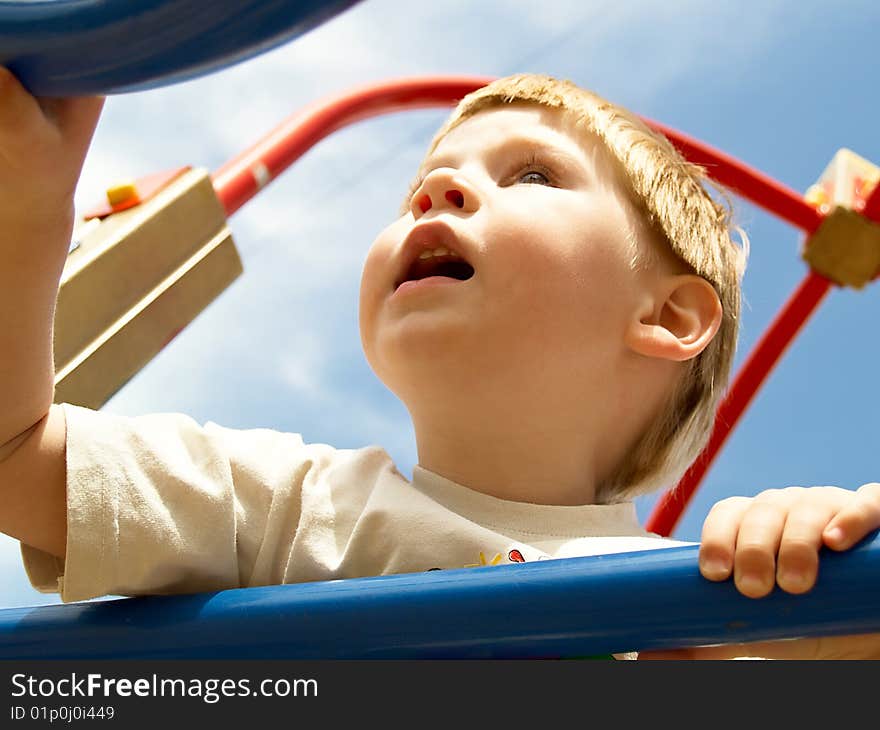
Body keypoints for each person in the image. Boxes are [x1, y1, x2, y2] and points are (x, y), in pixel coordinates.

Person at [0, 67, 878, 659]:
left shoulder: (708, 607)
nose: (436, 189)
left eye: (531, 175)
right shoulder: (289, 509)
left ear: (667, 314)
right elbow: (15, 457)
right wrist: (33, 210)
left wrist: (826, 570)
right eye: (426, 178)